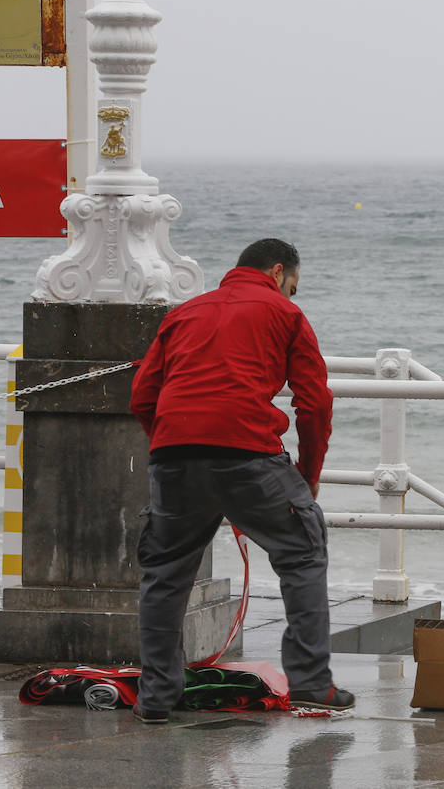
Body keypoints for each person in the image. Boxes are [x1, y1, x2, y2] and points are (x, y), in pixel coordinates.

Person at [129, 238, 352, 722]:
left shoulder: (185, 312)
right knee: (302, 552)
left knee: (165, 577)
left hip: (175, 455)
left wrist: (172, 446)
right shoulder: (284, 314)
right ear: (278, 272)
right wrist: (307, 476)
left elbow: (143, 396)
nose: (291, 295)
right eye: (292, 286)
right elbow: (314, 403)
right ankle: (312, 683)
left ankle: (156, 699)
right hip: (249, 454)